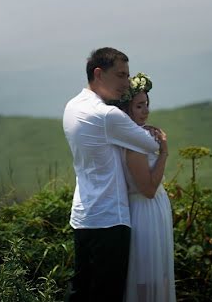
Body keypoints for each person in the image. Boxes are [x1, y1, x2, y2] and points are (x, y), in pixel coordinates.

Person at [63, 48, 161, 301]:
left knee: (81, 290)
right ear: (99, 73)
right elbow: (151, 144)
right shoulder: (107, 115)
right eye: (120, 75)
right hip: (110, 218)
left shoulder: (72, 106)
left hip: (83, 215)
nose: (126, 83)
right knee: (107, 294)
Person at [117, 73, 175, 302]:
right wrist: (164, 152)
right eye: (139, 106)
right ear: (126, 109)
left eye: (147, 104)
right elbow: (149, 189)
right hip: (145, 212)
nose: (146, 110)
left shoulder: (138, 136)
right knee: (146, 274)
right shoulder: (133, 143)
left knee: (158, 272)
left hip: (154, 210)